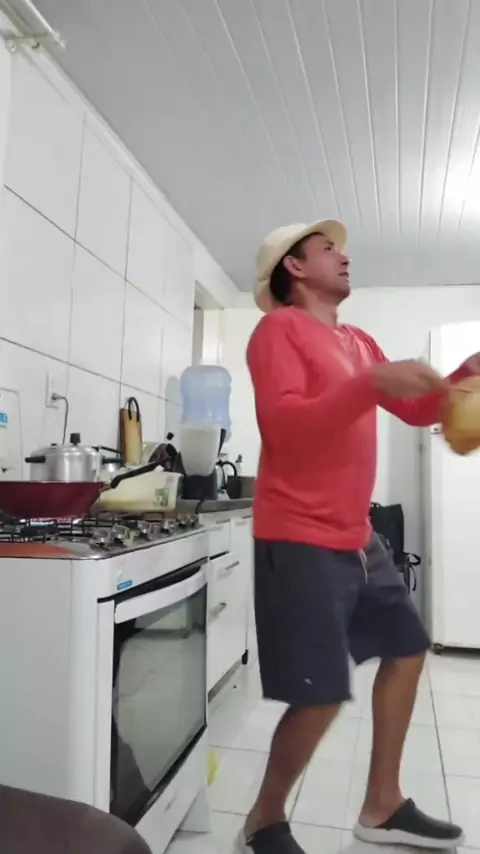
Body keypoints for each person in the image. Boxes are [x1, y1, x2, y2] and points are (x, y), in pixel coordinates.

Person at [240, 220, 478, 854]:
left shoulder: (359, 341)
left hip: (357, 533)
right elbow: (285, 427)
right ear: (294, 267)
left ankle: (382, 805)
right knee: (319, 693)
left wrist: (468, 372)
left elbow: (418, 407)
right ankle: (263, 819)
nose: (344, 257)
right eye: (327, 249)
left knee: (408, 647)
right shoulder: (278, 331)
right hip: (298, 532)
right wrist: (367, 385)